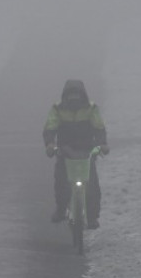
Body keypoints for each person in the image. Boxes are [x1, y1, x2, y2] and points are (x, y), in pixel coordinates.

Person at [43, 79, 109, 227]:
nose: (74, 98)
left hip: (87, 152)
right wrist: (50, 144)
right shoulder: (57, 109)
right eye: (71, 95)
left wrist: (102, 144)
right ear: (65, 95)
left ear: (82, 95)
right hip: (65, 152)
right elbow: (50, 128)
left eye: (76, 94)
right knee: (61, 183)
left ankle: (92, 217)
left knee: (92, 186)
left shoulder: (91, 109)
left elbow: (99, 128)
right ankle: (61, 209)